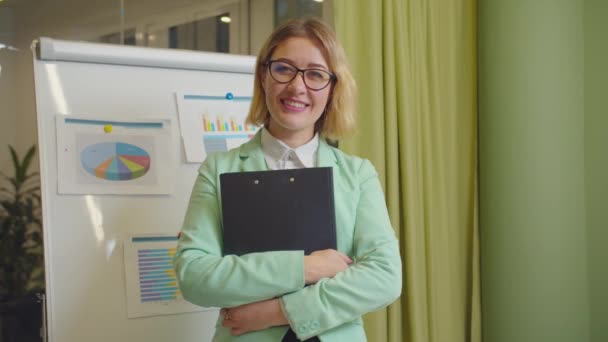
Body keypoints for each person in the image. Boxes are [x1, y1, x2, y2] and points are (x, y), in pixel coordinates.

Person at [174, 17, 402, 342]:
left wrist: (279, 312)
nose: (298, 86)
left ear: (332, 89)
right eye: (284, 69)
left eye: (315, 75)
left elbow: (384, 277)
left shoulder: (357, 174)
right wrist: (307, 267)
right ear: (264, 77)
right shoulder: (219, 169)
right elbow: (194, 276)